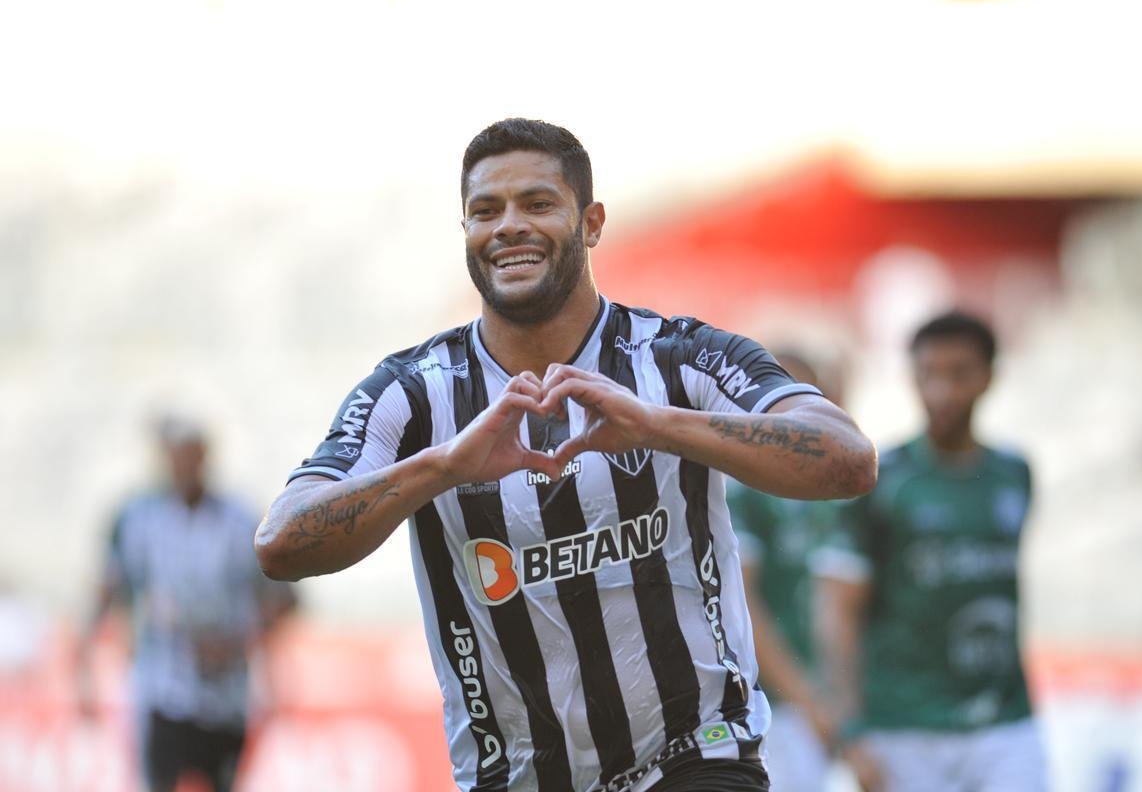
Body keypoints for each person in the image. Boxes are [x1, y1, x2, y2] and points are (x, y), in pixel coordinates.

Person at [255, 118, 877, 792]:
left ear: (591, 222)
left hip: (695, 757)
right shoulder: (412, 393)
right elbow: (281, 543)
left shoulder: (675, 357)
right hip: (518, 777)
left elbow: (847, 460)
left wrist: (661, 427)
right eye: (484, 211)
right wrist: (443, 467)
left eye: (538, 203)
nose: (508, 226)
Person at [812, 311, 1043, 791]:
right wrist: (850, 728)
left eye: (958, 374)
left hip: (1007, 722)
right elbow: (837, 608)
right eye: (928, 375)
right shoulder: (881, 479)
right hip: (904, 728)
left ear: (989, 377)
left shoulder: (1015, 475)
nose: (942, 391)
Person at [79, 416, 297, 792]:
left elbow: (284, 597)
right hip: (161, 687)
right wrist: (84, 667)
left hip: (226, 693)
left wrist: (239, 638)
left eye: (193, 456)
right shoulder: (138, 519)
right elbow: (109, 588)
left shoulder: (239, 519)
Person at [726, 351, 843, 790]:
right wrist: (809, 700)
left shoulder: (833, 492)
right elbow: (744, 604)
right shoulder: (744, 491)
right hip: (775, 707)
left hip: (827, 701)